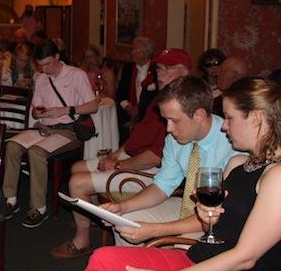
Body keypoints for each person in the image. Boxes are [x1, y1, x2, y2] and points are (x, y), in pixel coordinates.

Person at [82, 77, 281, 271]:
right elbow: (168, 189)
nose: (224, 125)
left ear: (255, 119)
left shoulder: (274, 175)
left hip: (228, 267)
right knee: (103, 257)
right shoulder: (239, 163)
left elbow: (245, 257)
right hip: (204, 252)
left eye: (230, 118)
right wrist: (208, 218)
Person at [51, 48, 192, 259]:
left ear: (184, 72)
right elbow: (137, 139)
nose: (160, 74)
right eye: (159, 68)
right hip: (135, 159)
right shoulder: (161, 98)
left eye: (168, 69)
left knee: (77, 183)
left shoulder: (180, 109)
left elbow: (155, 158)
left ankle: (82, 239)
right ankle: (98, 218)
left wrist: (117, 165)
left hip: (150, 170)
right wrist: (116, 155)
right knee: (77, 167)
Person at [103, 75, 241, 247]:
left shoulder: (233, 144)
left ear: (199, 115)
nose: (168, 128)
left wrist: (155, 230)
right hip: (188, 206)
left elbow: (221, 214)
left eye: (174, 120)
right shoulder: (174, 140)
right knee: (126, 221)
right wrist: (122, 207)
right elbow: (162, 186)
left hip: (218, 219)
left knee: (183, 249)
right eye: (165, 120)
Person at [3, 39, 99, 228]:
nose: (45, 69)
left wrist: (66, 110)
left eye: (48, 64)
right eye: (41, 65)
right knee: (12, 145)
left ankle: (39, 208)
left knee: (36, 152)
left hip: (68, 131)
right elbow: (34, 110)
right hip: (44, 128)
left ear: (57, 56)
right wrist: (37, 112)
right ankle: (10, 199)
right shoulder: (41, 78)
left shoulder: (76, 75)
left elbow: (93, 106)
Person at [116, 37, 159, 141]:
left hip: (150, 115)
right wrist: (128, 107)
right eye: (132, 50)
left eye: (137, 50)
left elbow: (159, 96)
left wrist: (141, 110)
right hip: (129, 113)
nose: (133, 53)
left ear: (147, 53)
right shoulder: (128, 68)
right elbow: (120, 93)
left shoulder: (156, 70)